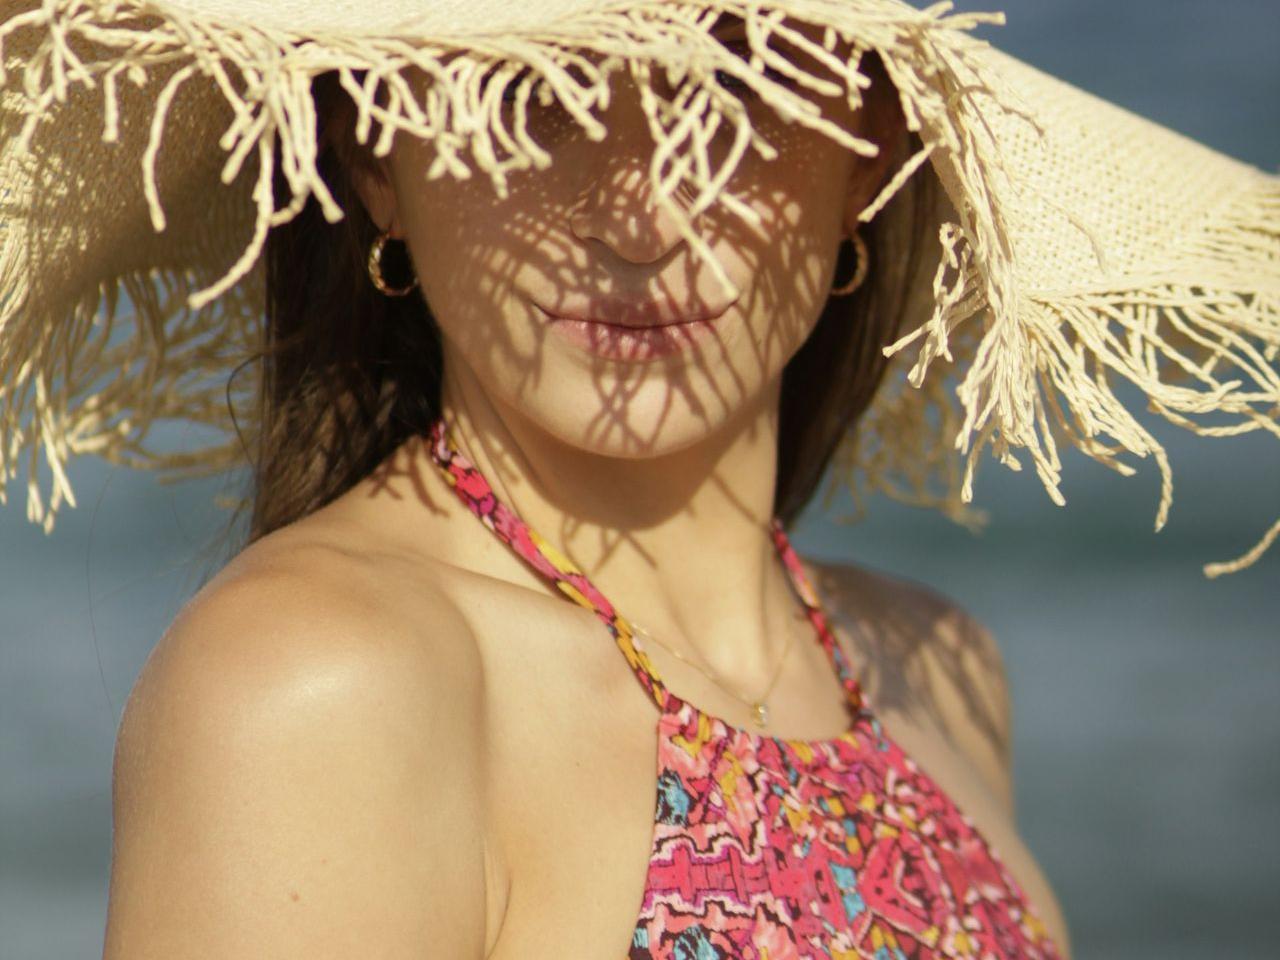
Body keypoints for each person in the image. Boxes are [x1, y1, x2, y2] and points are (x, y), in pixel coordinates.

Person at [2, 2, 1274, 958]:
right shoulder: (320, 684)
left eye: (733, 94)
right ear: (378, 159)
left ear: (865, 158)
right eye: (536, 98)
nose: (641, 218)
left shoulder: (926, 666)